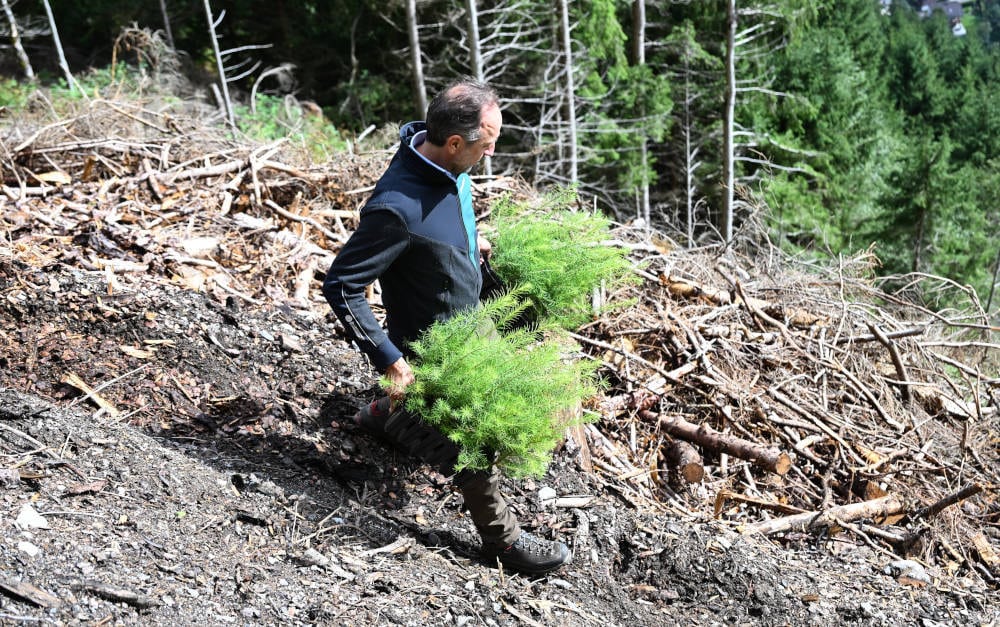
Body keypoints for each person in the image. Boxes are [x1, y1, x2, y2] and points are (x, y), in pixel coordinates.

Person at [322, 79, 571, 575]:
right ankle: (503, 542)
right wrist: (391, 361)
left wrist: (469, 246)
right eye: (488, 143)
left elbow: (441, 224)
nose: (492, 153)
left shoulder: (447, 166)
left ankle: (386, 415)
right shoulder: (397, 208)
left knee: (526, 330)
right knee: (476, 439)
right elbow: (342, 286)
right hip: (435, 351)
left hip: (467, 318)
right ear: (455, 142)